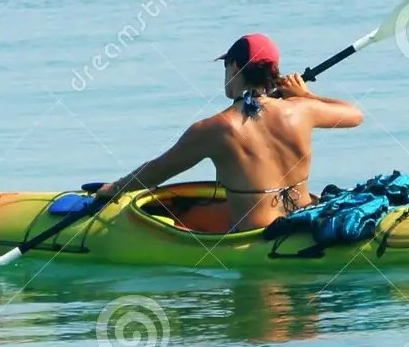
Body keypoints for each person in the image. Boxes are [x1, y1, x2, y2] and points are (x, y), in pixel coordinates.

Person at [95, 34, 363, 231]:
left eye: (225, 67)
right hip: (304, 221)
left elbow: (156, 172)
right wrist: (306, 95)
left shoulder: (214, 129)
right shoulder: (301, 109)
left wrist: (116, 188)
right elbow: (355, 115)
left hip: (255, 236)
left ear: (234, 67)